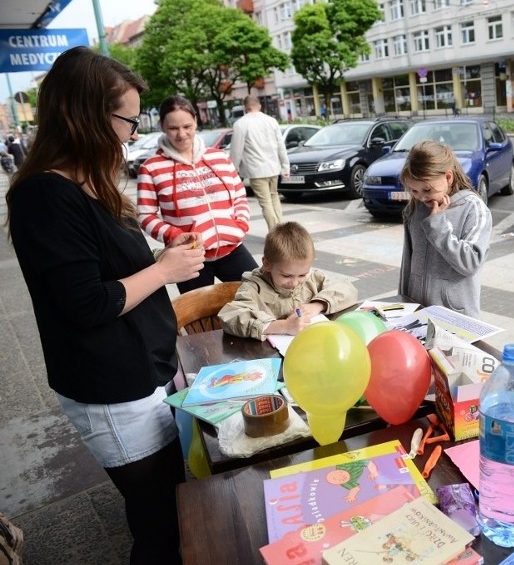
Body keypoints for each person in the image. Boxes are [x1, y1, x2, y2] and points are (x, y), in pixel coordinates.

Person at [4, 46, 205, 564]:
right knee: (158, 524)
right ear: (87, 115)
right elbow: (86, 303)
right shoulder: (44, 195)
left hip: (146, 368)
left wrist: (162, 258)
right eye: (127, 120)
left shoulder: (90, 179)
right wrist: (163, 272)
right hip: (113, 385)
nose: (132, 133)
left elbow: (112, 272)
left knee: (172, 503)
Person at [137, 95, 258, 293]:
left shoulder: (219, 157)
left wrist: (240, 224)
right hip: (189, 258)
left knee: (259, 297)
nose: (182, 134)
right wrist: (175, 234)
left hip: (233, 249)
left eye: (187, 126)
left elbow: (238, 196)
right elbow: (145, 215)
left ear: (196, 120)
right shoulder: (151, 168)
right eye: (173, 128)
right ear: (162, 126)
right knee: (200, 322)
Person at [397, 140, 492, 318]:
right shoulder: (415, 208)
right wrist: (403, 300)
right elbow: (408, 261)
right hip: (417, 311)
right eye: (414, 191)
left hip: (454, 316)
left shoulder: (473, 209)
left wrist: (438, 225)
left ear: (448, 177)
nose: (421, 197)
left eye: (427, 189)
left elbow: (470, 263)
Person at [218, 221, 357, 340]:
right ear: (267, 264)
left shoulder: (313, 278)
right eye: (286, 276)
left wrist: (317, 305)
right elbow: (230, 316)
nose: (295, 283)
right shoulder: (254, 287)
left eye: (302, 275)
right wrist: (284, 326)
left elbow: (348, 289)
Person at [229, 95, 290, 231]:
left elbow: (236, 150)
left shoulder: (240, 124)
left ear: (245, 108)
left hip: (255, 170)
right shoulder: (271, 121)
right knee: (274, 198)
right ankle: (281, 230)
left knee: (266, 203)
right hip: (274, 168)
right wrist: (285, 166)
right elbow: (281, 145)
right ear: (259, 106)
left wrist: (233, 169)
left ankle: (275, 233)